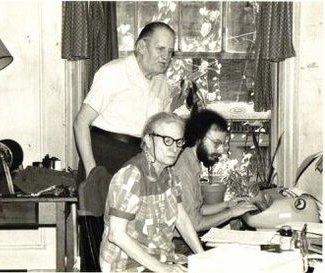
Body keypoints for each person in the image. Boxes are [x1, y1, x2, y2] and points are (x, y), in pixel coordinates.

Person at [99, 112, 204, 272]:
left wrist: (203, 257)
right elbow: (116, 234)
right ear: (148, 140)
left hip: (161, 259)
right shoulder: (131, 175)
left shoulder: (170, 174)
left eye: (178, 142)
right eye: (167, 141)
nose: (174, 148)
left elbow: (181, 220)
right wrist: (162, 268)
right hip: (127, 264)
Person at [73, 21, 176, 179]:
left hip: (140, 161)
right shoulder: (114, 72)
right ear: (141, 46)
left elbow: (163, 131)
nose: (166, 57)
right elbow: (81, 122)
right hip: (104, 160)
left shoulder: (162, 83)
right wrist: (91, 170)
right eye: (160, 49)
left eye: (170, 52)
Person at [173, 110, 257, 237]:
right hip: (179, 245)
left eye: (222, 145)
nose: (221, 150)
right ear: (198, 137)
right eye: (216, 143)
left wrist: (227, 205)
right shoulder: (183, 168)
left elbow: (198, 210)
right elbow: (194, 223)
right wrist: (231, 213)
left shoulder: (191, 161)